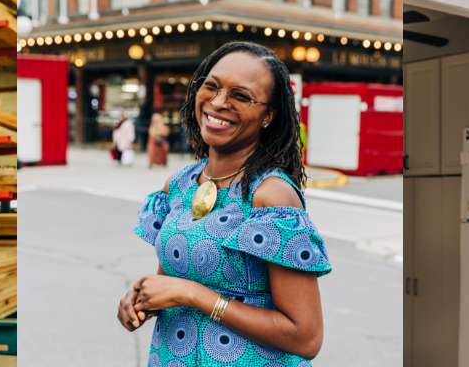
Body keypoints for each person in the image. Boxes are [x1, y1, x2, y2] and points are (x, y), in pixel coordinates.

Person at [123, 41, 330, 366]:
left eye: (241, 96)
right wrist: (143, 300)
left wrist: (193, 295)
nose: (218, 103)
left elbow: (306, 337)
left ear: (267, 116)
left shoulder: (270, 196)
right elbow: (173, 279)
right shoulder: (178, 185)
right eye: (212, 86)